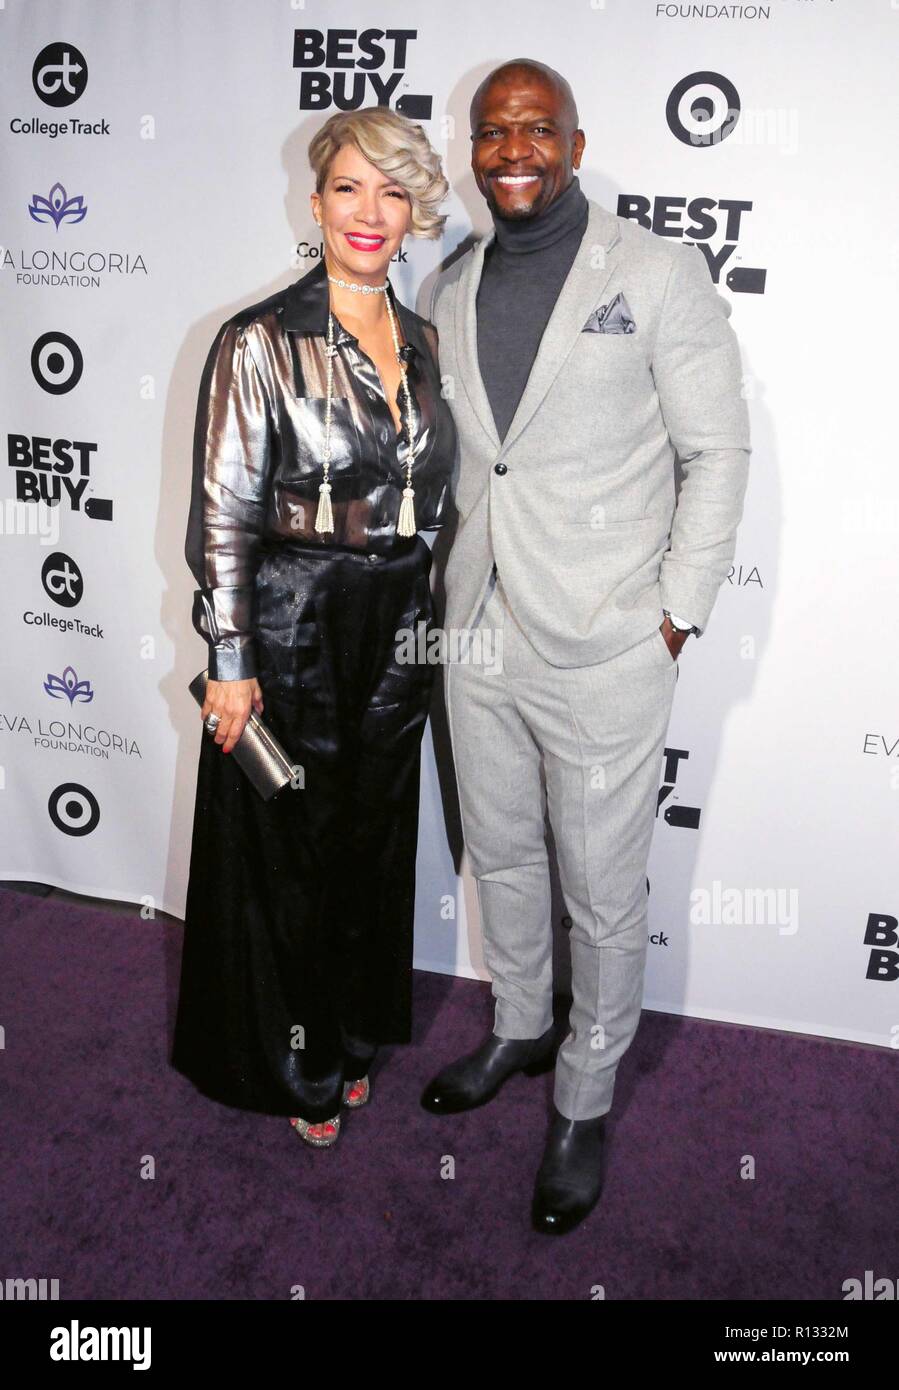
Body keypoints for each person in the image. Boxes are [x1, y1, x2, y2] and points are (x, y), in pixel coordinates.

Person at [421, 60, 751, 1232]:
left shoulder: (655, 272)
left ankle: (583, 1091)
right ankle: (518, 1023)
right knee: (502, 852)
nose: (513, 148)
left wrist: (675, 610)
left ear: (572, 138)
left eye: (534, 128)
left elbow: (717, 450)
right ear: (470, 148)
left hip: (607, 638)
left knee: (604, 894)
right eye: (492, 130)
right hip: (477, 632)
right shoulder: (449, 286)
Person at [172, 107, 454, 1148]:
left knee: (372, 837)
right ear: (315, 199)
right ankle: (299, 1059)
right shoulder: (261, 339)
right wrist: (230, 665)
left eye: (391, 192)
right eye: (348, 188)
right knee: (290, 838)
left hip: (396, 622)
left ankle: (352, 1025)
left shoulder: (422, 339)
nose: (370, 213)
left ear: (414, 208)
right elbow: (222, 515)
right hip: (294, 615)